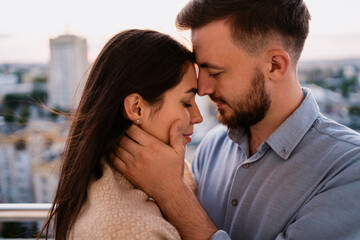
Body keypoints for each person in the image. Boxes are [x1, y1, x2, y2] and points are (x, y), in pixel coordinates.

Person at [113, 0, 360, 240]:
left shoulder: (349, 169)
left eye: (216, 72)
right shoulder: (211, 147)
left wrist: (173, 194)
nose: (202, 88)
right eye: (202, 71)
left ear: (275, 65)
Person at [38, 29, 203, 240]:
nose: (198, 117)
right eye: (187, 103)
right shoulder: (131, 232)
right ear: (136, 108)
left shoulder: (171, 169)